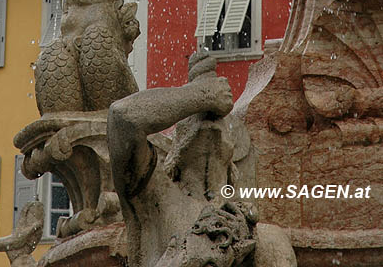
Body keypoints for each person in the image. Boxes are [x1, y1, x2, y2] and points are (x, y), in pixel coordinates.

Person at [107, 48, 297, 267]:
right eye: (188, 118)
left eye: (223, 121)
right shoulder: (155, 198)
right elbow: (122, 119)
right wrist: (200, 94)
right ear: (173, 156)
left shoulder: (261, 233)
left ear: (233, 157)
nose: (208, 115)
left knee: (273, 241)